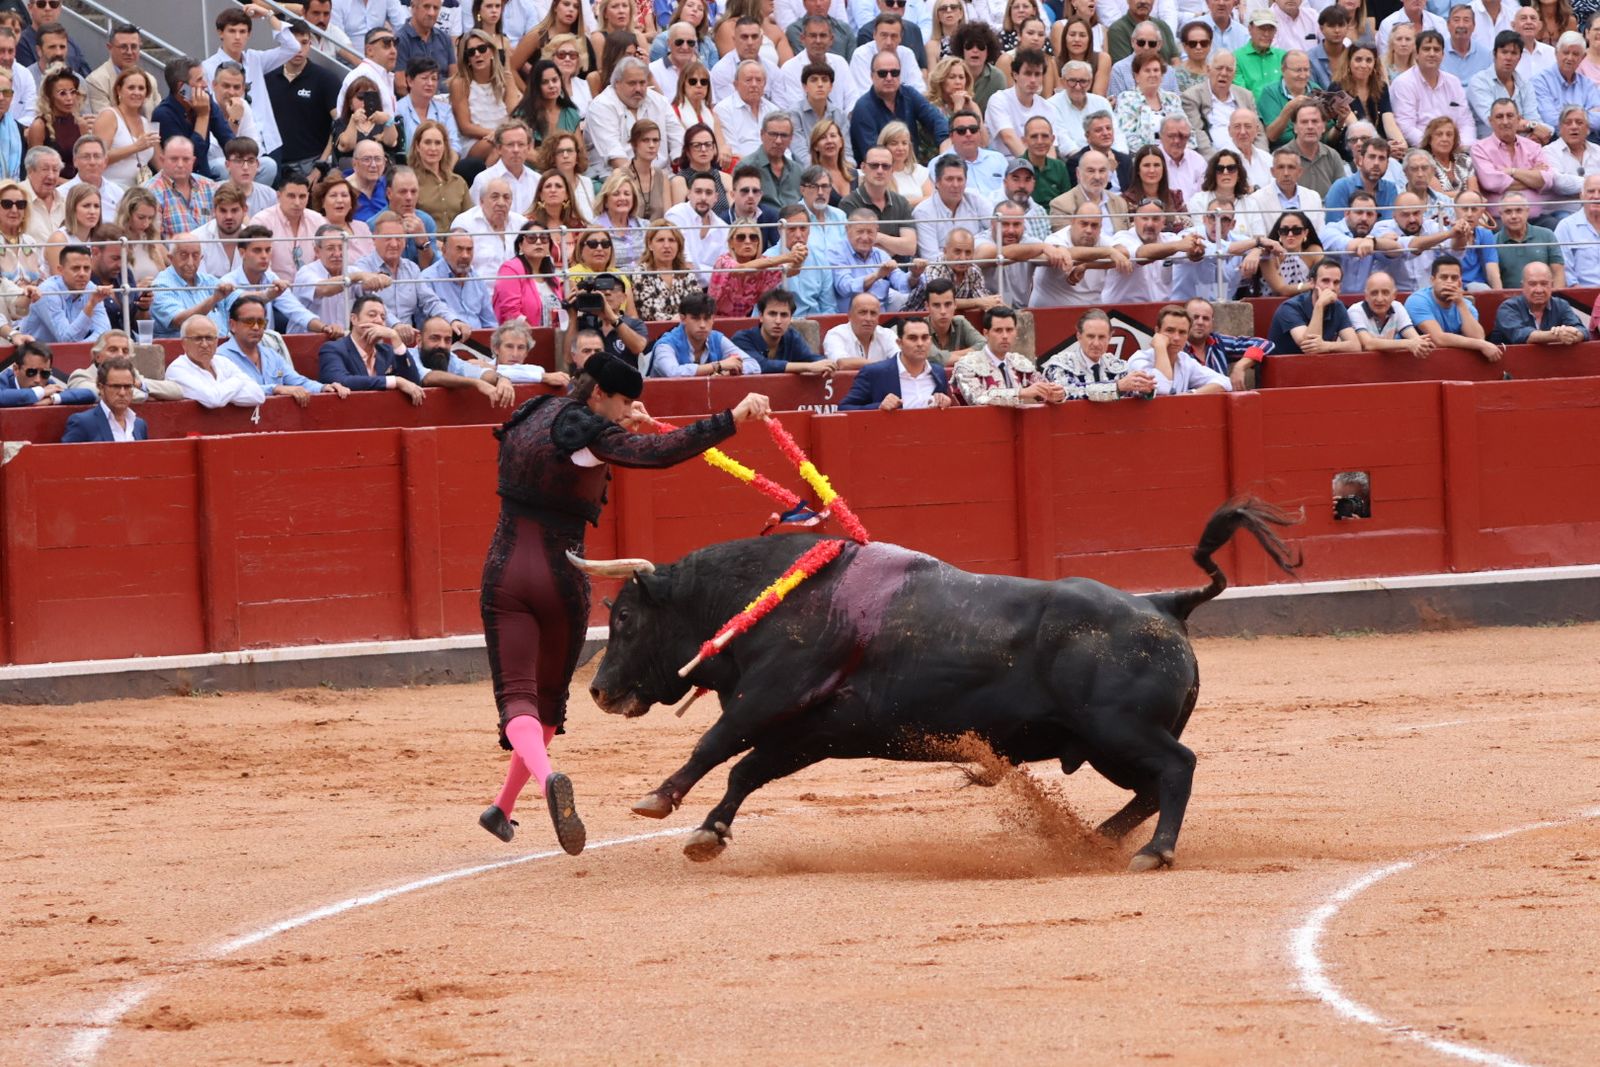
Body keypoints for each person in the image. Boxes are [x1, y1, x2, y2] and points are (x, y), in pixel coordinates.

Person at [476, 346, 772, 854]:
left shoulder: (533, 411)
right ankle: (537, 784)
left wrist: (621, 423)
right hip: (561, 578)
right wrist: (731, 418)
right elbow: (658, 454)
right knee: (548, 702)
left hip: (503, 572)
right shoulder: (591, 433)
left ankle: (504, 806)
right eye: (623, 402)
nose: (628, 411)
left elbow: (576, 446)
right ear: (599, 394)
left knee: (517, 699)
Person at [202, 4, 298, 166]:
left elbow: (293, 47)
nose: (237, 37)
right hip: (232, 144)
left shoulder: (256, 59)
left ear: (249, 34)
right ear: (220, 33)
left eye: (242, 31)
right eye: (232, 31)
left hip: (269, 142)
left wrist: (268, 14)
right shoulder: (208, 67)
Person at [218, 295, 351, 405]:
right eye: (249, 322)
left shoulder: (270, 354)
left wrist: (324, 388)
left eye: (261, 322)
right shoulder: (221, 357)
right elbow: (234, 390)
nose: (256, 327)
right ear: (232, 325)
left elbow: (298, 381)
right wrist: (276, 389)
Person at [850, 46, 949, 163]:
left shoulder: (910, 94)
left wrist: (945, 146)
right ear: (872, 76)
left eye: (894, 72)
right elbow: (872, 155)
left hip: (911, 169)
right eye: (882, 73)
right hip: (880, 172)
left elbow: (936, 120)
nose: (889, 78)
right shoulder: (863, 108)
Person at [318, 293, 427, 398]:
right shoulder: (333, 349)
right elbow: (341, 380)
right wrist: (395, 381)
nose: (379, 321)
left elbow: (413, 383)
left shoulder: (388, 351)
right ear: (354, 319)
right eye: (372, 315)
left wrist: (396, 339)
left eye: (383, 317)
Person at [951, 304, 1060, 406]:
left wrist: (1055, 393)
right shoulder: (967, 365)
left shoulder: (1019, 362)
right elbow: (977, 398)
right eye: (998, 330)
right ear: (986, 333)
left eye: (1009, 330)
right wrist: (1021, 392)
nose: (1005, 336)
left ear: (1015, 332)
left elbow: (1042, 387)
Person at [837, 316, 952, 410]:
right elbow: (844, 408)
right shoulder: (874, 372)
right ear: (899, 343)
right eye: (912, 338)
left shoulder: (938, 372)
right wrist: (879, 406)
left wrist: (944, 402)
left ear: (930, 341)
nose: (920, 343)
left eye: (925, 338)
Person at [1403, 253, 1502, 361]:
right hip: (1417, 361)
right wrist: (1481, 345)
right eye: (1444, 277)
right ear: (1432, 280)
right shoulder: (1418, 300)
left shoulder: (1466, 305)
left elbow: (1478, 337)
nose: (1449, 282)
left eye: (1454, 278)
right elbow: (1438, 339)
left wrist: (1460, 304)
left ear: (1460, 282)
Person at [1040, 309, 1155, 401]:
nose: (1096, 343)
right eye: (1090, 336)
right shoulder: (1059, 365)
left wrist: (1144, 388)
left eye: (1102, 337)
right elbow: (1068, 392)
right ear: (1079, 336)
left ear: (1110, 337)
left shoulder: (1117, 366)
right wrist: (1117, 387)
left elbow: (1135, 391)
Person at [647, 289, 762, 376]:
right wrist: (718, 366)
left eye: (707, 319)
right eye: (696, 318)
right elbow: (674, 373)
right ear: (683, 319)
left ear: (713, 319)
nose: (702, 325)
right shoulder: (665, 345)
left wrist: (731, 370)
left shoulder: (717, 338)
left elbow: (754, 366)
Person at [165, 314, 269, 408]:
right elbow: (213, 400)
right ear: (184, 343)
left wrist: (221, 394)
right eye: (197, 338)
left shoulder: (223, 362)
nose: (205, 344)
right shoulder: (177, 369)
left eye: (209, 338)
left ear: (216, 341)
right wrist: (239, 379)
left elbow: (258, 395)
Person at [1127, 304, 1231, 395]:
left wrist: (1192, 394)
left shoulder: (1184, 360)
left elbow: (1225, 382)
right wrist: (1161, 348)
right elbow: (1162, 388)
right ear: (1157, 331)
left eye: (1182, 332)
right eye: (1170, 330)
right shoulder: (1139, 359)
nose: (1176, 338)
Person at [729, 286, 834, 374]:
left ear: (790, 319)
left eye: (784, 315)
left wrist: (826, 364)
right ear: (761, 317)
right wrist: (808, 367)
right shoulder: (742, 339)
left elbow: (811, 358)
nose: (778, 321)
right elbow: (760, 365)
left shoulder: (792, 337)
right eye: (772, 314)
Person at [1266, 256, 1360, 353]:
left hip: (1316, 366)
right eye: (1325, 281)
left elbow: (1355, 346)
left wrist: (1327, 346)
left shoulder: (1337, 306)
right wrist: (1319, 306)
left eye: (1336, 282)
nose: (1331, 287)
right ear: (1312, 283)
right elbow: (1309, 347)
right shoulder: (1290, 307)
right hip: (1282, 366)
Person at [150, 233, 233, 338]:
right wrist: (213, 300)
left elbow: (239, 298)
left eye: (195, 256)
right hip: (182, 350)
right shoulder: (161, 285)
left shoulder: (208, 280)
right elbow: (181, 321)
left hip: (220, 346)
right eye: (184, 255)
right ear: (171, 258)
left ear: (201, 258)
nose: (190, 262)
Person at [1490, 260, 1588, 345]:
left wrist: (1573, 334)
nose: (1539, 290)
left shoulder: (1561, 305)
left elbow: (1583, 331)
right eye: (1532, 284)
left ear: (1551, 285)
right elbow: (1520, 335)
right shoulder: (1508, 307)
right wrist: (1557, 335)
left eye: (1544, 284)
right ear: (1522, 286)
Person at [1181, 50, 1257, 155]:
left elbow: (1259, 133)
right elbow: (1197, 133)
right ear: (1208, 70)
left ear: (1234, 74)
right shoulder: (1191, 97)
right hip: (1216, 159)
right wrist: (1216, 164)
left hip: (1249, 154)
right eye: (1219, 68)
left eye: (1229, 70)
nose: (1224, 73)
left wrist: (1261, 157)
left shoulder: (1246, 96)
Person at [60, 356, 146, 441]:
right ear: (101, 387)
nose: (122, 393)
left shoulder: (139, 425)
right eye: (115, 386)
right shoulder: (82, 423)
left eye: (127, 386)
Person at [1346, 270, 1432, 355]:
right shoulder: (1355, 311)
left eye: (1385, 293)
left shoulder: (1397, 307)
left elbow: (1414, 338)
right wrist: (1408, 343)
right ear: (1366, 296)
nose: (1380, 299)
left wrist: (1421, 343)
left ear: (1394, 295)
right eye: (1374, 293)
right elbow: (1368, 344)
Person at [423, 230, 497, 330]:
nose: (465, 255)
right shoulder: (428, 278)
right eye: (459, 249)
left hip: (479, 342)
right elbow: (432, 308)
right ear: (444, 251)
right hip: (446, 340)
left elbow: (489, 322)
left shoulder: (476, 279)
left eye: (469, 250)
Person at [632, 220, 703, 321]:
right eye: (660, 240)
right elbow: (650, 314)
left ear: (679, 245)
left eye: (672, 240)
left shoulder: (686, 273)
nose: (667, 245)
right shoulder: (641, 273)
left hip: (688, 331)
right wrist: (681, 320)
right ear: (650, 245)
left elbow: (699, 306)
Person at [1495, 192, 1564, 287]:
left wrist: (1555, 299)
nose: (1514, 216)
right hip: (1508, 300)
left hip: (1544, 298)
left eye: (1519, 210)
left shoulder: (1547, 235)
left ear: (1527, 211)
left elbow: (1558, 273)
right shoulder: (1493, 242)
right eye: (1508, 211)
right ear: (1500, 214)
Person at [822, 291, 899, 367]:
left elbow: (902, 362)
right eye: (863, 312)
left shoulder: (888, 334)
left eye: (873, 313)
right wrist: (884, 365)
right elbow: (842, 363)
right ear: (850, 315)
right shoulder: (836, 334)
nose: (868, 318)